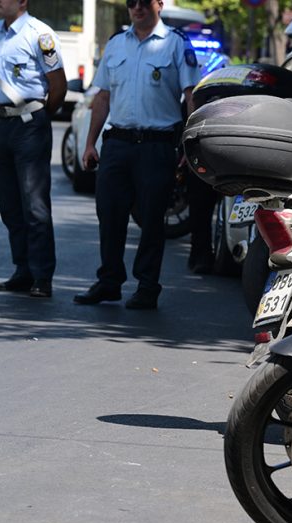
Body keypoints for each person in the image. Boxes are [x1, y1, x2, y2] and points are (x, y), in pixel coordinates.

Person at [74, 0, 200, 309]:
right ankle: (109, 281)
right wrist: (90, 143)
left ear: (159, 5)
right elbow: (103, 97)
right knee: (109, 214)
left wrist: (191, 144)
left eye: (145, 2)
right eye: (132, 2)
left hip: (157, 146)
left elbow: (191, 97)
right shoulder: (117, 43)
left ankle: (147, 287)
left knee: (152, 218)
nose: (138, 7)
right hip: (117, 143)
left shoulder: (176, 43)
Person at [0, 0, 66, 298]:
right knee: (9, 205)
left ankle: (42, 276)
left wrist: (39, 118)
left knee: (34, 205)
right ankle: (23, 270)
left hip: (28, 126)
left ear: (22, 2)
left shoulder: (39, 34)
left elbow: (58, 85)